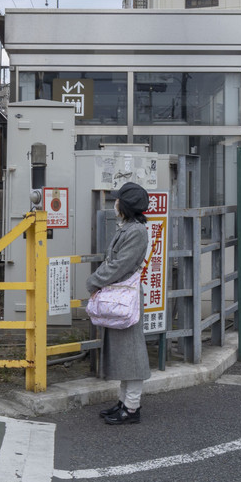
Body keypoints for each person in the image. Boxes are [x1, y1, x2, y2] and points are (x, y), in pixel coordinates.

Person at [87, 182, 151, 425]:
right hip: (121, 294)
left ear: (124, 205)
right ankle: (124, 401)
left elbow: (119, 265)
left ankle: (132, 407)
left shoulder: (136, 231)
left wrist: (95, 281)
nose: (113, 204)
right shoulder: (128, 228)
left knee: (132, 354)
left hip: (126, 297)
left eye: (117, 200)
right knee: (124, 353)